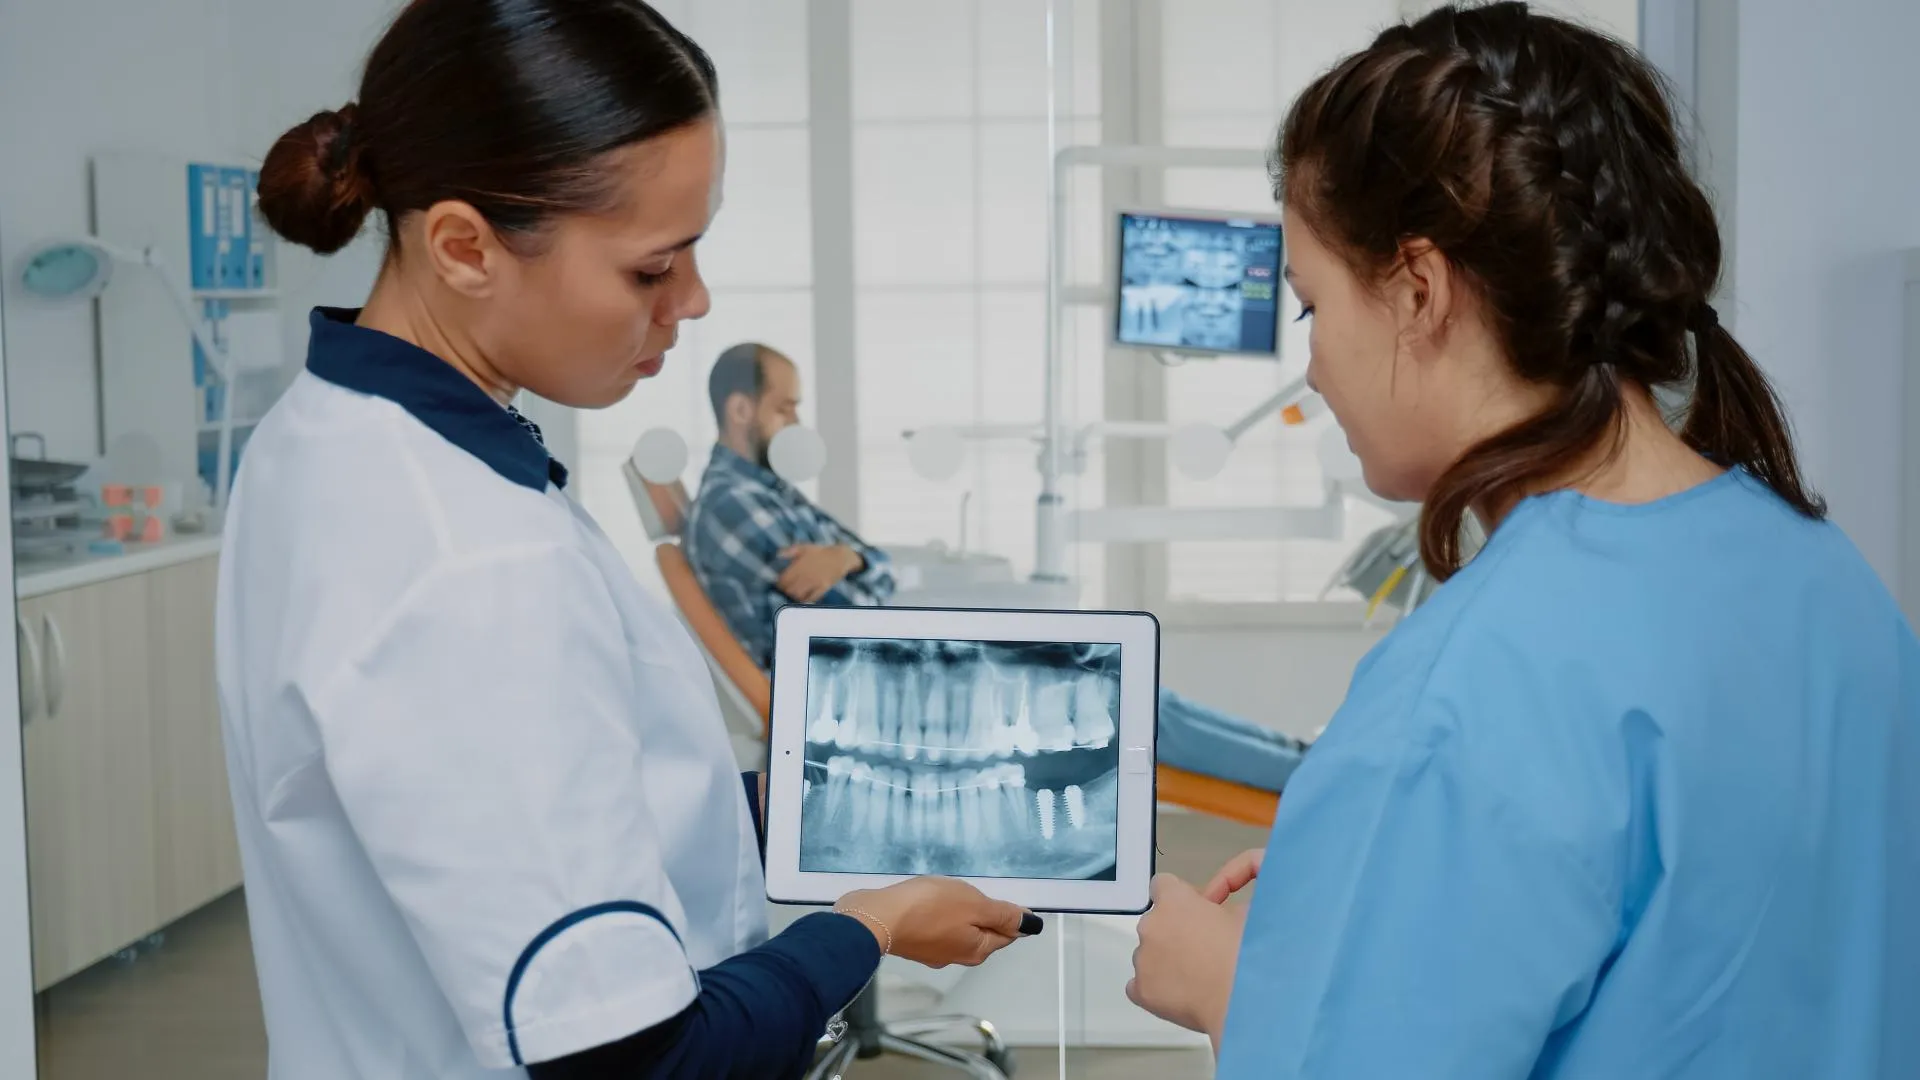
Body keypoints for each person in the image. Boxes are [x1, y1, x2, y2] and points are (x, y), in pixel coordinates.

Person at [219, 4, 1040, 1078]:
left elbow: (558, 798)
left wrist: (841, 804)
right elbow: (638, 1062)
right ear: (465, 246)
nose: (693, 304)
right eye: (653, 270)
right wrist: (868, 930)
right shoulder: (472, 559)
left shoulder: (323, 434)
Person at [1124, 4, 1920, 1077]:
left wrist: (1231, 994)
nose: (1311, 369)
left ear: (1419, 290)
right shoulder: (1826, 578)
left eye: (1312, 310)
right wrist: (1378, 886)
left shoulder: (1470, 690)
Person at [682, 342, 1310, 793]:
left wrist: (849, 558)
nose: (796, 423)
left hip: (889, 664)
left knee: (1134, 686)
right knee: (1124, 696)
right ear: (742, 410)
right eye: (785, 409)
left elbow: (869, 564)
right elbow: (848, 613)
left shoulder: (770, 489)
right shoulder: (735, 505)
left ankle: (1301, 757)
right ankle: (1306, 773)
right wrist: (861, 567)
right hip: (878, 690)